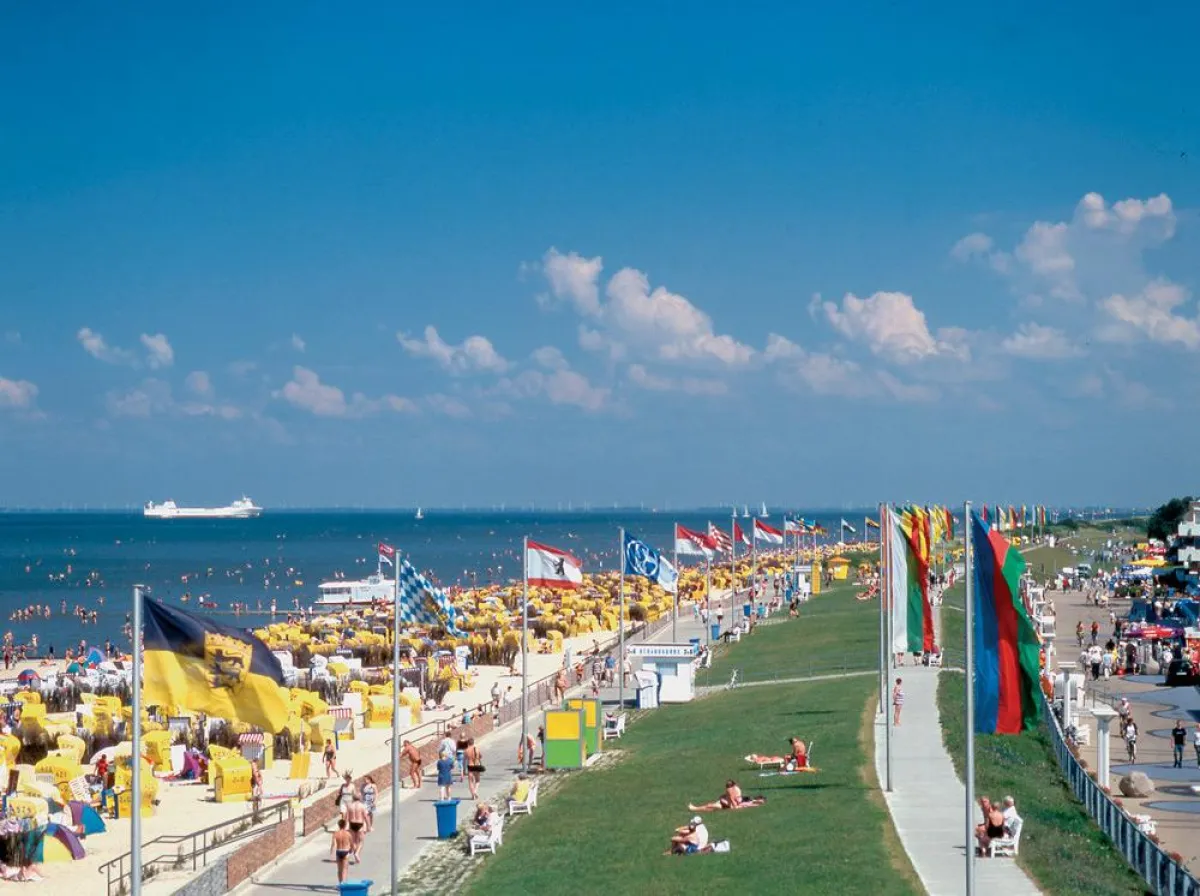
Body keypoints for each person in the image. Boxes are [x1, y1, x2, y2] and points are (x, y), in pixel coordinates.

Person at [688, 779, 765, 811]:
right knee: (711, 806)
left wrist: (734, 806)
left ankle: (695, 808)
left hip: (727, 804)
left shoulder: (731, 790)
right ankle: (696, 808)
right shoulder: (736, 788)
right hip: (726, 802)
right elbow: (735, 798)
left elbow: (732, 799)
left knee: (710, 806)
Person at [345, 791, 369, 863]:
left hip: (352, 824)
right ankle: (357, 853)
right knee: (361, 841)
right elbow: (365, 817)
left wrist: (345, 826)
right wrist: (369, 826)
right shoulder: (362, 806)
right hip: (359, 824)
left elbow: (346, 817)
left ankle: (351, 853)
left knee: (354, 841)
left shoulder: (349, 806)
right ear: (360, 798)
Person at [330, 818, 353, 883]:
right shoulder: (348, 834)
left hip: (339, 851)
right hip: (346, 851)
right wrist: (351, 850)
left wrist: (332, 854)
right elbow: (351, 844)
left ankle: (340, 883)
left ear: (338, 825)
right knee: (345, 869)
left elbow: (333, 844)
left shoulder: (336, 833)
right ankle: (344, 883)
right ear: (345, 825)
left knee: (339, 870)